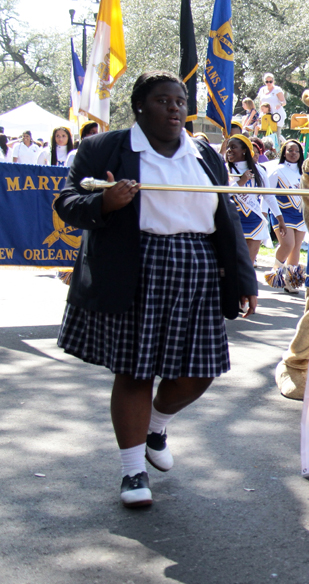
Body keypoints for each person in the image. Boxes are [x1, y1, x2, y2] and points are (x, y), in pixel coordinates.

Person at [54, 70, 258, 508]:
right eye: (164, 100)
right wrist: (104, 203)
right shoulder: (104, 147)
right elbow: (66, 202)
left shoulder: (204, 154)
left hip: (197, 269)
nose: (174, 108)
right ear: (140, 106)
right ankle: (132, 472)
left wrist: (243, 279)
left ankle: (156, 425)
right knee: (135, 372)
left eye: (180, 100)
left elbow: (226, 220)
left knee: (201, 370)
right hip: (135, 265)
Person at [225, 134, 286, 265]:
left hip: (254, 222)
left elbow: (268, 195)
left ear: (244, 150)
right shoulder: (225, 169)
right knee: (231, 264)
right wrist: (240, 183)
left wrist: (280, 219)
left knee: (248, 266)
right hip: (233, 221)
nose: (229, 150)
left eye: (233, 147)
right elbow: (221, 195)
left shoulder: (258, 170)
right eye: (228, 147)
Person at [267, 140, 307, 293]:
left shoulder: (304, 171)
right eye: (290, 150)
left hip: (299, 213)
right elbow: (268, 195)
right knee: (288, 244)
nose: (293, 153)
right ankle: (275, 272)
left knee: (296, 247)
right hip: (282, 213)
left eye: (296, 151)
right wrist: (266, 213)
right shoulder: (277, 170)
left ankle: (291, 280)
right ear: (284, 152)